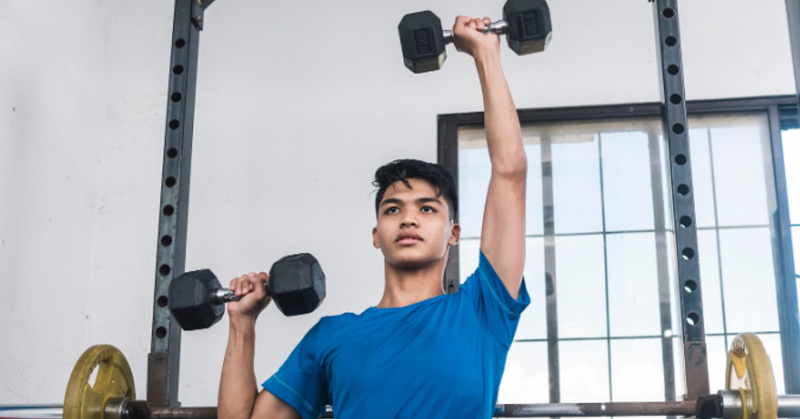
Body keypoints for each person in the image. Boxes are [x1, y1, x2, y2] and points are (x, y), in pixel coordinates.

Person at [218, 15, 529, 419]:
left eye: (427, 208)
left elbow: (510, 171)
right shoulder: (332, 337)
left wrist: (486, 55)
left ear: (453, 233)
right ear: (376, 234)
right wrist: (242, 325)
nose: (409, 219)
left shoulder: (482, 310)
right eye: (393, 209)